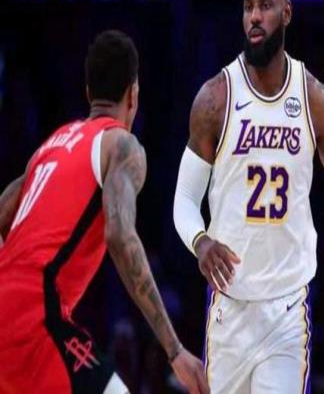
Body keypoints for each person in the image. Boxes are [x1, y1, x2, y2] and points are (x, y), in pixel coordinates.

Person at [173, 0, 324, 394]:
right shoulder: (215, 99)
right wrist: (200, 242)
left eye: (265, 5)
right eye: (248, 7)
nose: (255, 16)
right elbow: (184, 198)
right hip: (229, 309)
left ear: (287, 13)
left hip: (287, 312)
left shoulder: (314, 99)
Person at [0, 30, 209, 394]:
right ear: (134, 94)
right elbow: (119, 234)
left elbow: (4, 211)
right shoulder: (121, 146)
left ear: (88, 93)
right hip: (35, 319)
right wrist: (174, 349)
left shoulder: (50, 146)